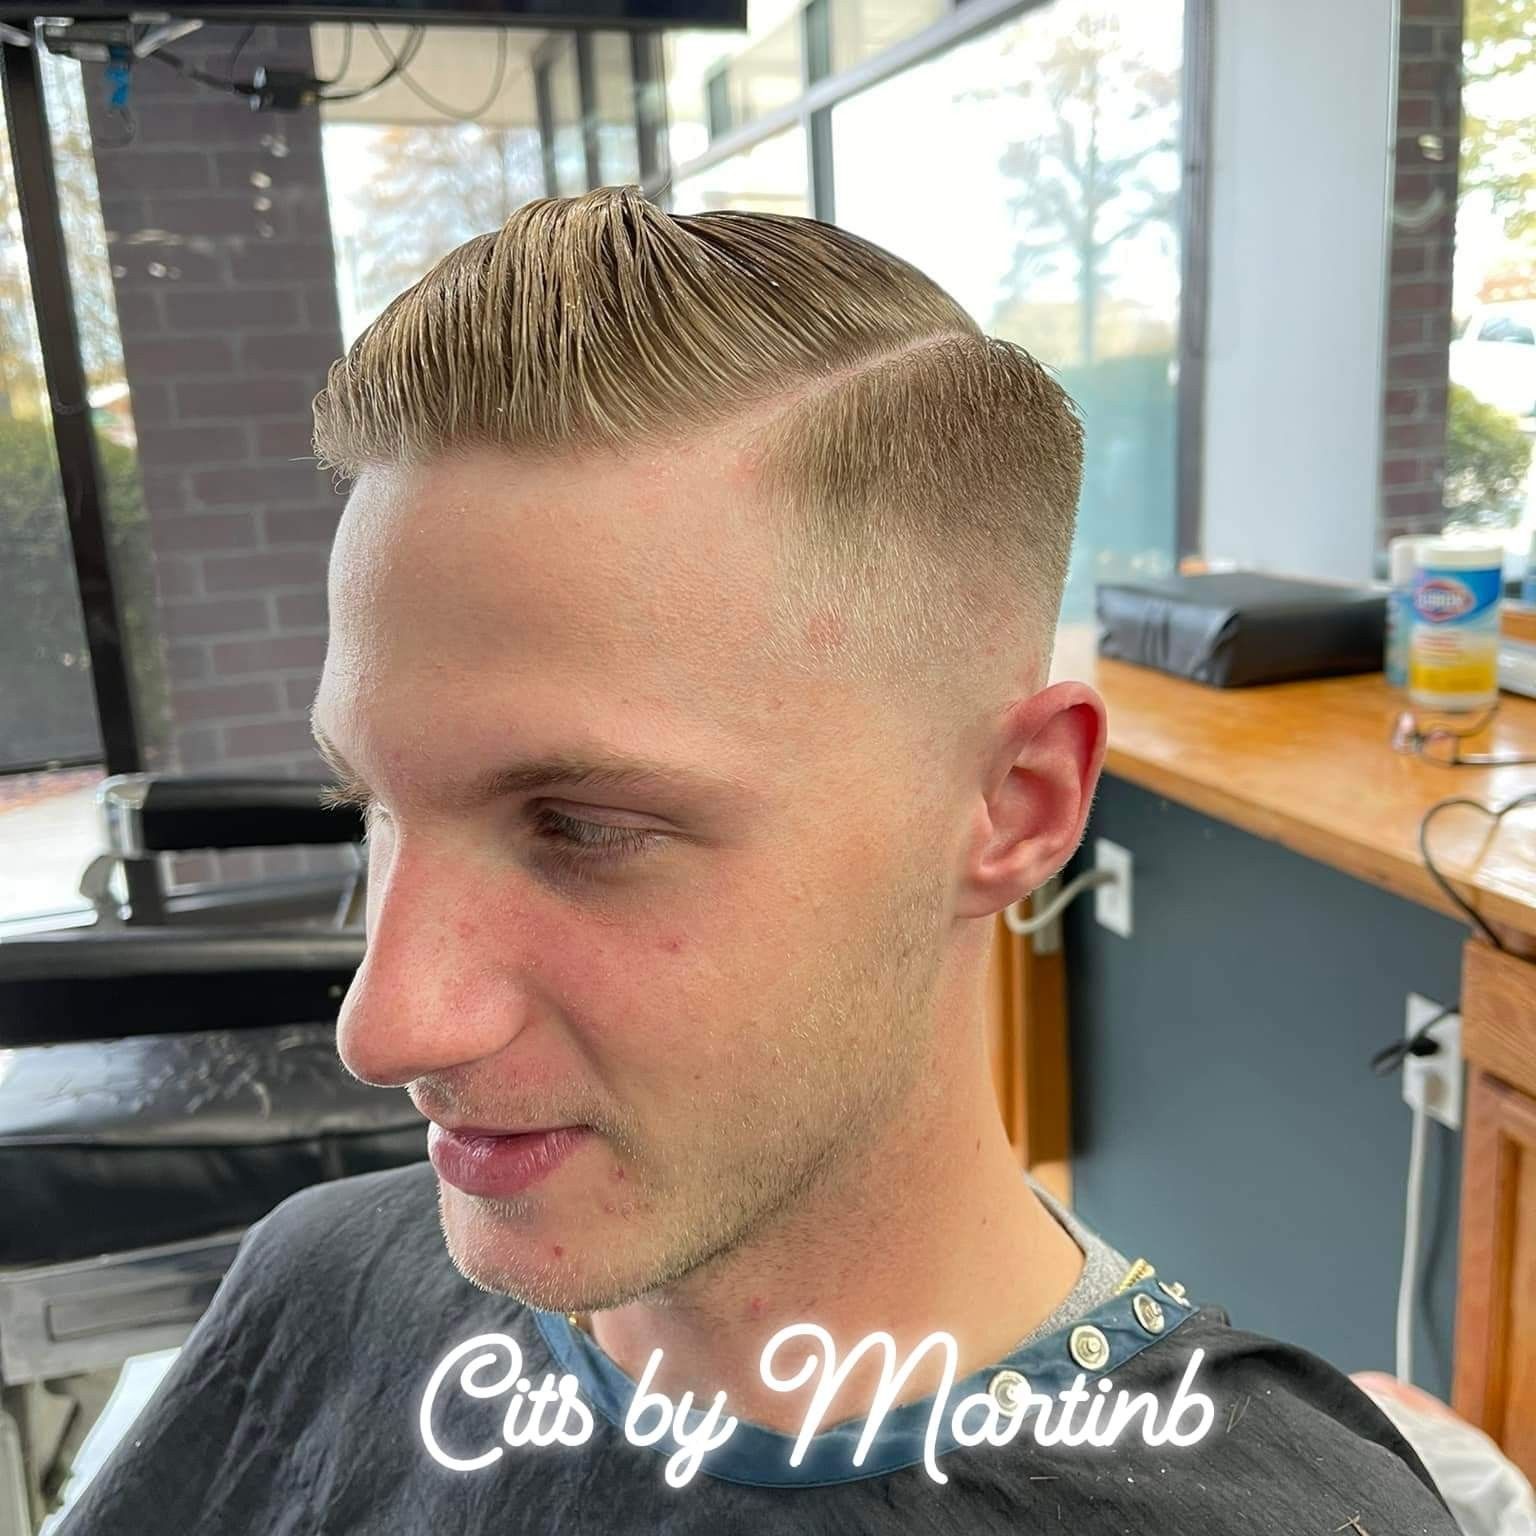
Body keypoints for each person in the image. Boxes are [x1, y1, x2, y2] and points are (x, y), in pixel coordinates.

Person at [59, 186, 1458, 1534]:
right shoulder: (318, 1281)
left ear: (1014, 806)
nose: (384, 1028)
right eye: (368, 803)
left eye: (585, 826)